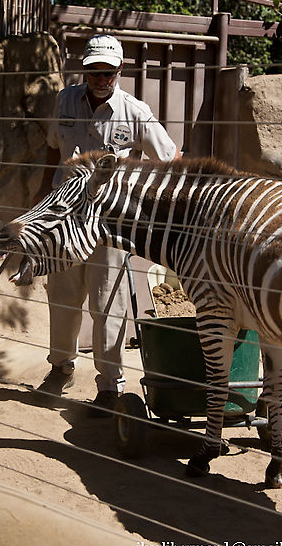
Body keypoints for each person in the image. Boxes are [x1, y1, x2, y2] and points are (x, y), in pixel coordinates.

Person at [38, 34, 181, 416]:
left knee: (108, 304)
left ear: (120, 70)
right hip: (64, 216)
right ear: (85, 70)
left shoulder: (135, 112)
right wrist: (39, 202)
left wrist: (146, 205)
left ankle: (109, 387)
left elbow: (170, 158)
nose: (101, 78)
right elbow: (54, 147)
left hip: (109, 222)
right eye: (93, 71)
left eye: (108, 71)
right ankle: (60, 368)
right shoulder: (65, 100)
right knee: (63, 296)